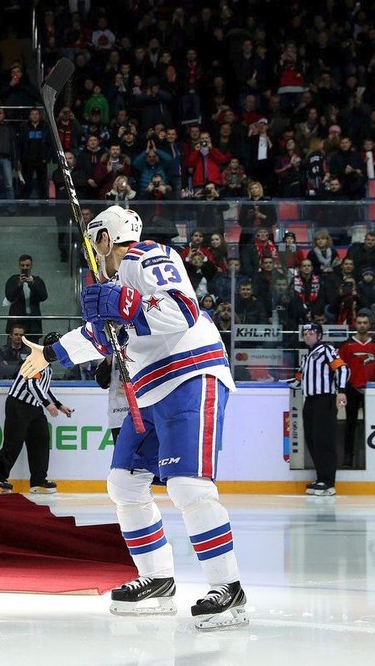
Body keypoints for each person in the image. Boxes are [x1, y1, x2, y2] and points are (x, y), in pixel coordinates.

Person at [19, 207, 246, 631]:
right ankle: (158, 579)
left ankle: (228, 587)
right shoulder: (113, 283)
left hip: (191, 375)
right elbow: (100, 338)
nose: (90, 252)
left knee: (188, 486)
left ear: (107, 238)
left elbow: (182, 313)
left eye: (93, 242)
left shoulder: (147, 257)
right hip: (149, 390)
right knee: (124, 483)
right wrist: (50, 354)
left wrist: (127, 303)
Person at [0, 332, 73, 495]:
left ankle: (38, 480)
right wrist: (47, 404)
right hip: (18, 405)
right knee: (13, 442)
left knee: (41, 442)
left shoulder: (47, 365)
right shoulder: (35, 360)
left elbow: (44, 388)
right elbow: (32, 385)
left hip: (34, 407)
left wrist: (58, 404)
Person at [293, 322, 350, 497]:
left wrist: (341, 391)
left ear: (319, 335)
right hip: (309, 401)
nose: (307, 335)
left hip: (324, 399)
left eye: (311, 332)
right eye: (305, 333)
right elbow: (298, 380)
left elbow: (342, 369)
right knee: (313, 440)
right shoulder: (307, 357)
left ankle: (328, 481)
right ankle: (321, 477)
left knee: (324, 440)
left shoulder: (326, 350)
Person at [337, 315, 375, 467]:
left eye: (365, 323)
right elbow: (340, 368)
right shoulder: (347, 345)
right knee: (350, 425)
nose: (362, 325)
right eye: (359, 323)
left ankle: (374, 457)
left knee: (373, 425)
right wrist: (343, 388)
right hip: (352, 389)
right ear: (355, 324)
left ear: (369, 324)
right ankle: (348, 458)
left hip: (371, 390)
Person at [4, 254, 48, 340]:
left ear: (31, 266)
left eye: (27, 265)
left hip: (33, 324)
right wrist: (19, 285)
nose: (25, 268)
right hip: (16, 323)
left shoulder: (37, 281)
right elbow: (10, 297)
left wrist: (32, 284)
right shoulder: (13, 280)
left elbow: (43, 297)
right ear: (19, 265)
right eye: (22, 265)